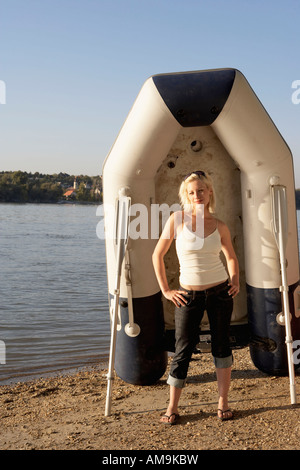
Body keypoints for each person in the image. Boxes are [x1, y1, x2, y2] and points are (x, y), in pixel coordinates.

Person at [152, 170, 239, 424]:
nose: (197, 195)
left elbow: (231, 256)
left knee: (221, 345)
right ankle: (172, 406)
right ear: (186, 196)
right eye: (191, 192)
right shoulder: (177, 220)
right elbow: (157, 255)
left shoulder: (220, 225)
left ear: (210, 191)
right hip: (188, 295)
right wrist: (167, 290)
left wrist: (234, 280)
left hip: (220, 293)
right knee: (182, 349)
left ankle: (222, 402)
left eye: (201, 190)